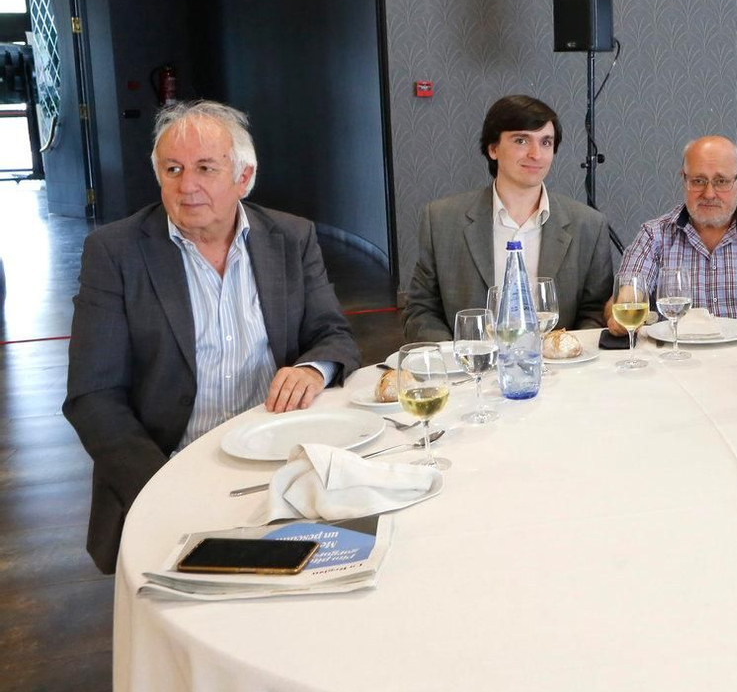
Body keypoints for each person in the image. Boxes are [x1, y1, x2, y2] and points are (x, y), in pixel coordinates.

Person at [63, 100, 360, 574]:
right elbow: (92, 397)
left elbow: (333, 335)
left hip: (279, 462)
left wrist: (312, 368)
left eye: (205, 168)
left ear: (244, 178)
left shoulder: (290, 236)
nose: (187, 186)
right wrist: (166, 486)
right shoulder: (115, 252)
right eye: (173, 169)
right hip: (166, 467)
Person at [404, 95, 613, 339]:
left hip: (558, 371)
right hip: (471, 369)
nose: (536, 154)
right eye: (522, 140)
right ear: (493, 148)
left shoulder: (588, 225)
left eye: (546, 142)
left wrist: (564, 354)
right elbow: (421, 311)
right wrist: (457, 357)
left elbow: (595, 312)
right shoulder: (441, 220)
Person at [605, 135, 737, 331]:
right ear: (684, 180)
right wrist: (622, 312)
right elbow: (626, 294)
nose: (709, 193)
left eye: (721, 181)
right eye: (698, 181)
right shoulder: (653, 236)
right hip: (675, 357)